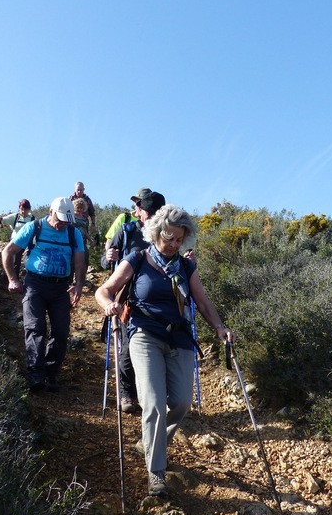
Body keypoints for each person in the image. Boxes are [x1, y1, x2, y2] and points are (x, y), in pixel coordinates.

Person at [95, 204, 234, 498]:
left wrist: (219, 326)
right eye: (168, 238)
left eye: (178, 239)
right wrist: (109, 305)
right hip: (144, 335)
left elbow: (204, 303)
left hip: (179, 339)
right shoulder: (138, 258)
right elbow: (104, 290)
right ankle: (156, 472)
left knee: (182, 403)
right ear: (156, 233)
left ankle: (151, 440)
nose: (173, 245)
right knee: (154, 404)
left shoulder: (185, 267)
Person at [1, 197, 86, 393]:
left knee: (60, 332)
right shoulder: (34, 227)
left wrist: (79, 285)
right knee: (35, 328)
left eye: (67, 220)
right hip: (35, 285)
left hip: (60, 288)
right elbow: (8, 251)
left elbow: (80, 262)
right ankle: (35, 374)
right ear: (50, 212)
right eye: (60, 219)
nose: (63, 224)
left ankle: (50, 372)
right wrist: (12, 279)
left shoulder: (74, 233)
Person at [101, 191, 166, 413]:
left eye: (139, 206)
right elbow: (105, 261)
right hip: (129, 295)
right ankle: (127, 393)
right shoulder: (127, 230)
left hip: (159, 296)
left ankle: (147, 392)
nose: (135, 210)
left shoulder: (165, 234)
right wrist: (107, 258)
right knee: (130, 343)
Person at [103, 187, 151, 251]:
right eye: (136, 201)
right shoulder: (125, 218)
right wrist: (110, 256)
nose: (138, 204)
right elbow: (110, 240)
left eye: (141, 202)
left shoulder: (154, 220)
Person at [0, 199, 35, 277]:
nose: (23, 211)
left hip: (27, 243)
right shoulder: (15, 216)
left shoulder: (32, 219)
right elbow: (3, 220)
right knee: (15, 261)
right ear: (19, 208)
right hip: (15, 242)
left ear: (29, 209)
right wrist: (0, 219)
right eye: (22, 209)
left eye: (26, 209)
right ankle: (13, 278)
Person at [72, 197, 90, 270]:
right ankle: (69, 279)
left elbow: (85, 231)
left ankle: (82, 278)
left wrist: (91, 240)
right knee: (71, 260)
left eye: (82, 208)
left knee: (85, 256)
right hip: (72, 241)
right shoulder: (71, 217)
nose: (80, 209)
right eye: (78, 207)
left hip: (82, 241)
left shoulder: (84, 219)